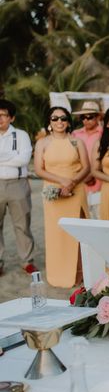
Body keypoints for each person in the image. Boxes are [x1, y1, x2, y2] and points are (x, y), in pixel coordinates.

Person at [34, 107, 90, 287]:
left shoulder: (76, 142)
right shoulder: (42, 143)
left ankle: (80, 274)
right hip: (53, 194)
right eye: (55, 118)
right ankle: (59, 274)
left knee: (77, 232)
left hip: (75, 191)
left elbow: (86, 167)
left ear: (68, 121)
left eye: (63, 118)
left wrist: (71, 183)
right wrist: (62, 181)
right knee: (56, 234)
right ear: (49, 122)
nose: (59, 122)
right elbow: (39, 169)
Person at [0, 99, 36, 276]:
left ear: (11, 118)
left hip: (18, 184)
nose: (0, 118)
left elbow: (23, 159)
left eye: (3, 115)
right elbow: (16, 158)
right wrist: (10, 157)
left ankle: (27, 261)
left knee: (22, 224)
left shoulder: (21, 135)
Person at [71, 100, 103, 218]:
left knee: (98, 216)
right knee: (81, 216)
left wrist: (92, 174)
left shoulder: (104, 134)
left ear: (98, 117)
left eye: (89, 117)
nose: (86, 120)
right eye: (83, 117)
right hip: (79, 181)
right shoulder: (75, 134)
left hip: (100, 181)